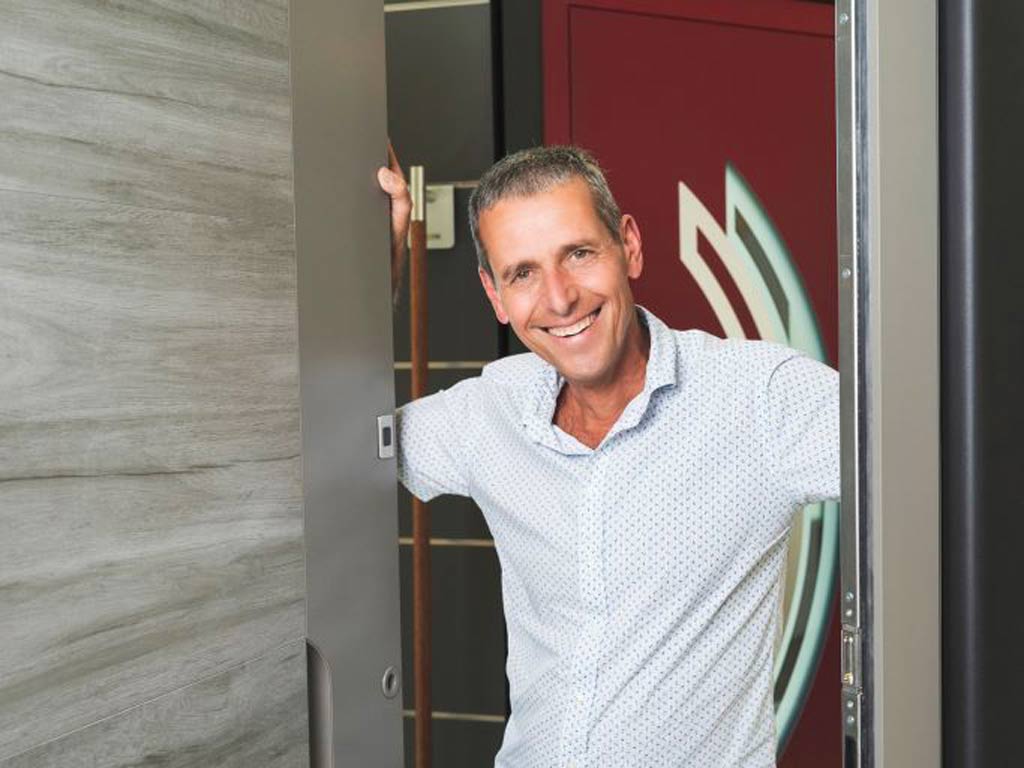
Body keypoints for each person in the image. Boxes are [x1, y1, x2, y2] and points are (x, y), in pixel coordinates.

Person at [377, 145, 839, 768]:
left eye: (578, 254)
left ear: (629, 246)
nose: (559, 298)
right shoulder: (490, 410)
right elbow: (328, 445)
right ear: (495, 295)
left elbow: (937, 455)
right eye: (523, 273)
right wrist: (377, 267)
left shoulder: (760, 397)